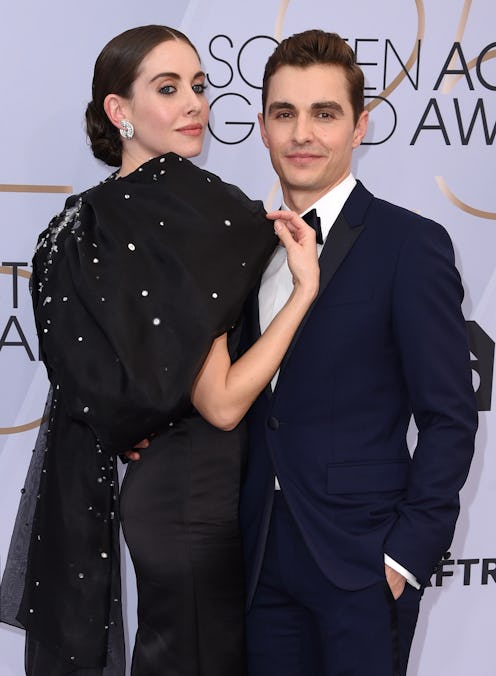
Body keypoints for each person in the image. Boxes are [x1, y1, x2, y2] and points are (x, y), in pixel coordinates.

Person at [0, 25, 319, 676]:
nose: (194, 104)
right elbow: (223, 404)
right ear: (119, 111)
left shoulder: (68, 228)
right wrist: (304, 291)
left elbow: (98, 385)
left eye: (199, 87)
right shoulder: (213, 221)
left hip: (107, 503)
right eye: (168, 88)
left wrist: (127, 421)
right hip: (185, 505)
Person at [239, 29, 478, 676]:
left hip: (362, 564)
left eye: (325, 113)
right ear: (262, 127)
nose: (302, 133)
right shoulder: (240, 249)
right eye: (284, 113)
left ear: (360, 125)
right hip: (257, 562)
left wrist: (403, 558)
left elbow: (449, 416)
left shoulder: (410, 246)